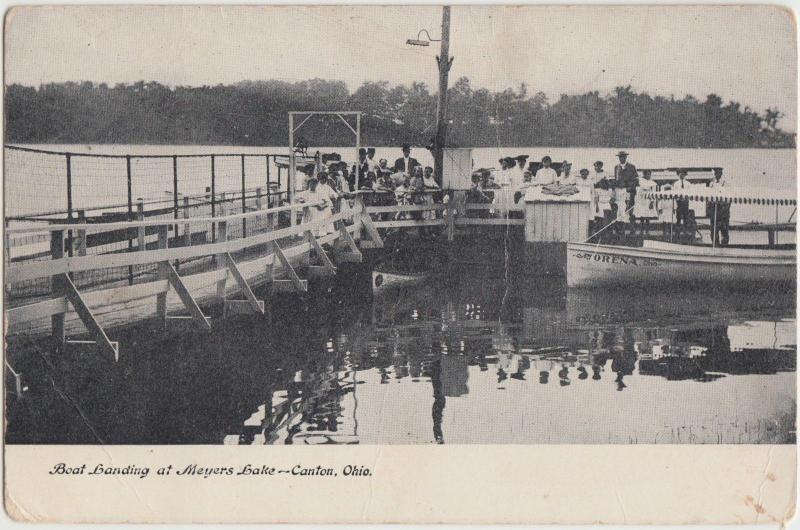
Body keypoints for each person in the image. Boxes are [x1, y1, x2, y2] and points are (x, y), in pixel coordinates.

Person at [613, 151, 639, 229]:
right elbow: (616, 180)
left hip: (629, 191)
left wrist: (630, 187)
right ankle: (620, 229)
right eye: (620, 157)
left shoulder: (631, 167)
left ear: (626, 157)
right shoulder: (616, 167)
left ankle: (632, 228)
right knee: (620, 210)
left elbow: (636, 179)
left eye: (623, 157)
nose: (621, 158)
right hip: (620, 192)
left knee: (631, 210)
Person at [633, 169, 658, 235]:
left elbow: (653, 193)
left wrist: (652, 202)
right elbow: (638, 190)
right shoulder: (640, 181)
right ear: (644, 174)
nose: (649, 175)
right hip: (641, 201)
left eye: (650, 174)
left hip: (648, 201)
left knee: (647, 217)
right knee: (642, 217)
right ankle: (641, 230)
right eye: (647, 174)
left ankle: (647, 231)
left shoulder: (652, 183)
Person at [708, 168, 730, 246]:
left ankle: (725, 246)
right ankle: (715, 245)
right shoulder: (712, 184)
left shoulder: (725, 184)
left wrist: (725, 210)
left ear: (721, 174)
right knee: (714, 230)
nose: (716, 174)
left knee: (724, 229)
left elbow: (728, 199)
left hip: (723, 211)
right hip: (714, 211)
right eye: (715, 173)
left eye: (718, 173)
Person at [673, 169, 695, 238]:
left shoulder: (688, 184)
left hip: (685, 202)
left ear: (685, 175)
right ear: (678, 175)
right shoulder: (676, 184)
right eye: (680, 174)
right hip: (679, 202)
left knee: (686, 218)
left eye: (683, 174)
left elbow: (690, 193)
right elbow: (674, 193)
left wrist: (686, 197)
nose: (681, 175)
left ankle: (686, 233)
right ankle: (677, 233)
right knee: (678, 219)